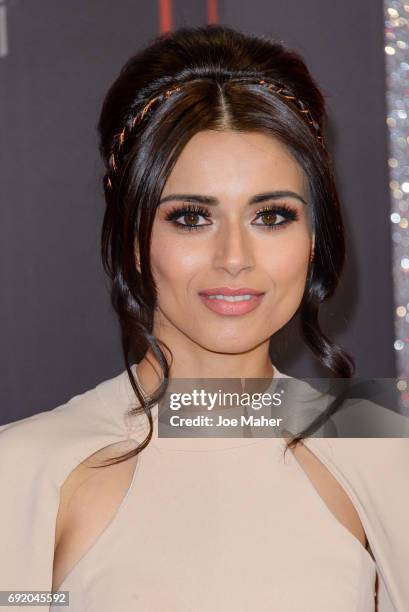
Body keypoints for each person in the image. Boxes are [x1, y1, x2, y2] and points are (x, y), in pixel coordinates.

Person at [1, 24, 408, 612]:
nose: (235, 259)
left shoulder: (380, 447)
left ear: (314, 236)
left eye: (271, 216)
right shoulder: (30, 468)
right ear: (133, 235)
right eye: (192, 218)